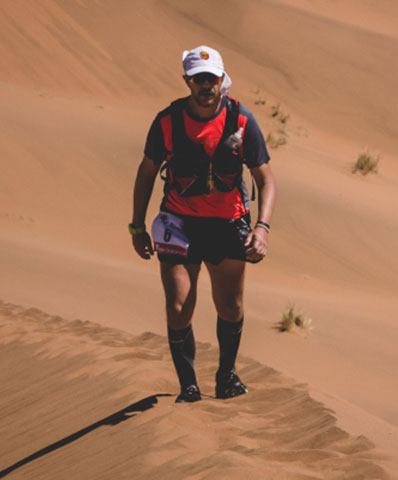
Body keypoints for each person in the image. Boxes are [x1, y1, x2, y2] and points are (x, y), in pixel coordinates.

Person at [129, 46, 276, 403]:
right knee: (179, 306)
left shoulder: (242, 121)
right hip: (179, 222)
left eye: (211, 79)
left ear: (221, 80)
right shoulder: (167, 121)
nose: (205, 85)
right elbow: (147, 171)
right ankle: (188, 387)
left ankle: (226, 375)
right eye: (198, 79)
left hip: (227, 224)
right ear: (187, 81)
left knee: (231, 306)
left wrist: (262, 227)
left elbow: (266, 179)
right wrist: (136, 226)